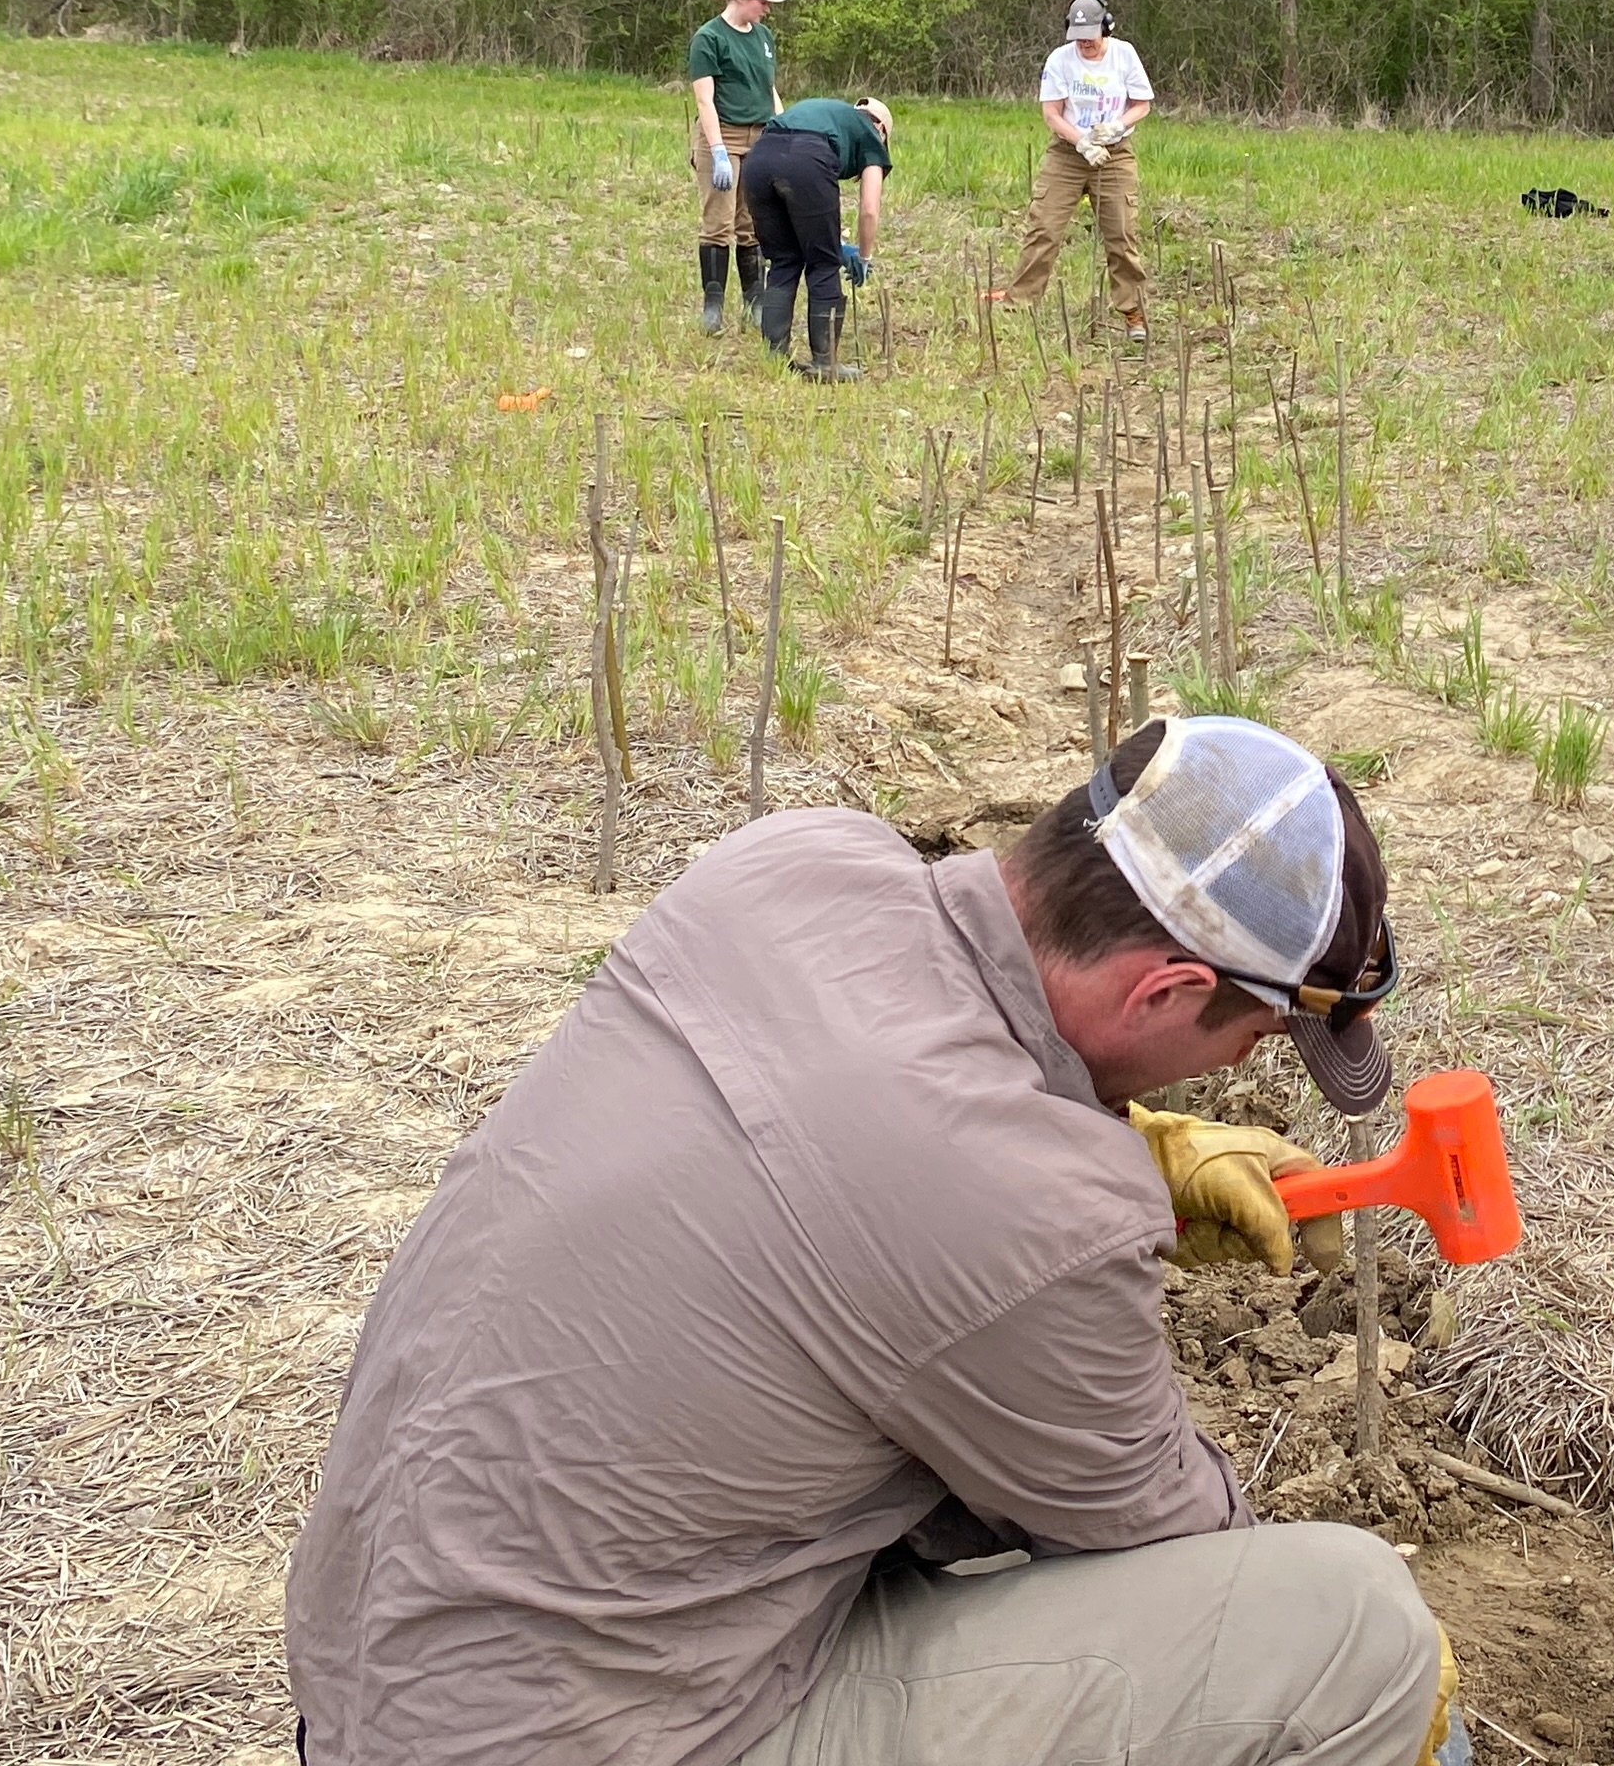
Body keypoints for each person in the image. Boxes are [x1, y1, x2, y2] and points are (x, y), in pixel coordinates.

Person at [284, 713, 1464, 1766]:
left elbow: (867, 1138)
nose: (1238, 1072)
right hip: (609, 1730)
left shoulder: (789, 867)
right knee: (1345, 1634)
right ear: (1162, 993)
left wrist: (1131, 1146)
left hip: (385, 1674)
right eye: (1250, 1039)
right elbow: (1179, 1553)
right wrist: (1090, 1215)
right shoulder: (1031, 1217)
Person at [995, 0, 1157, 338]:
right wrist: (1081, 141)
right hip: (1068, 154)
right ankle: (1020, 305)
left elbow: (1142, 104)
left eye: (1090, 38)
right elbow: (1052, 114)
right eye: (1077, 38)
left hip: (1114, 155)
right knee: (1044, 228)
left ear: (1106, 29)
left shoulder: (1124, 56)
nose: (1084, 45)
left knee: (1121, 233)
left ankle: (1133, 313)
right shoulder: (1060, 60)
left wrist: (1117, 126)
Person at [744, 92, 892, 384]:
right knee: (823, 264)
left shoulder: (828, 113)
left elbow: (805, 225)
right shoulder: (871, 136)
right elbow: (870, 210)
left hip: (758, 159)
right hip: (806, 159)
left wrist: (835, 245)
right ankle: (825, 363)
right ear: (882, 129)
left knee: (784, 260)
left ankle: (774, 357)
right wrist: (863, 256)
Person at [683, 0, 785, 332]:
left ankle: (754, 300)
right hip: (722, 136)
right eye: (762, 1)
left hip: (761, 137)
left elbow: (768, 88)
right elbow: (704, 100)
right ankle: (713, 306)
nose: (766, 9)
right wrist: (718, 150)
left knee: (752, 223)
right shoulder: (708, 39)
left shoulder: (764, 37)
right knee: (718, 223)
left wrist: (782, 129)